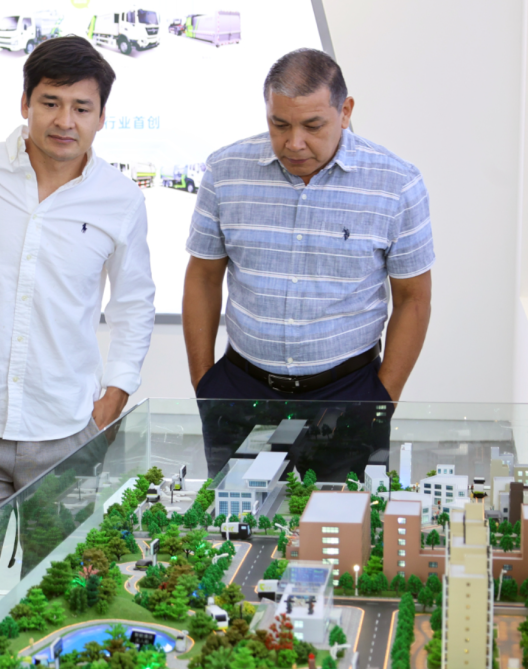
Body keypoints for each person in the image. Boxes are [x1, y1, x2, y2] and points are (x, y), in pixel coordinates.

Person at [0, 36, 155, 553]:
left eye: (81, 107)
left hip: (65, 429)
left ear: (101, 117)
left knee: (60, 587)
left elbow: (133, 305)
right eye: (50, 103)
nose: (65, 121)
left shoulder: (120, 199)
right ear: (25, 104)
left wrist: (115, 394)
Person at [183, 49, 434, 478]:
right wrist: (206, 383)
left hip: (349, 392)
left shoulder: (396, 183)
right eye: (279, 124)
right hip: (241, 389)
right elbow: (203, 278)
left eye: (313, 126)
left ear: (345, 111)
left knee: (344, 520)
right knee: (237, 517)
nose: (294, 143)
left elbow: (413, 299)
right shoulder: (225, 172)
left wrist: (381, 399)